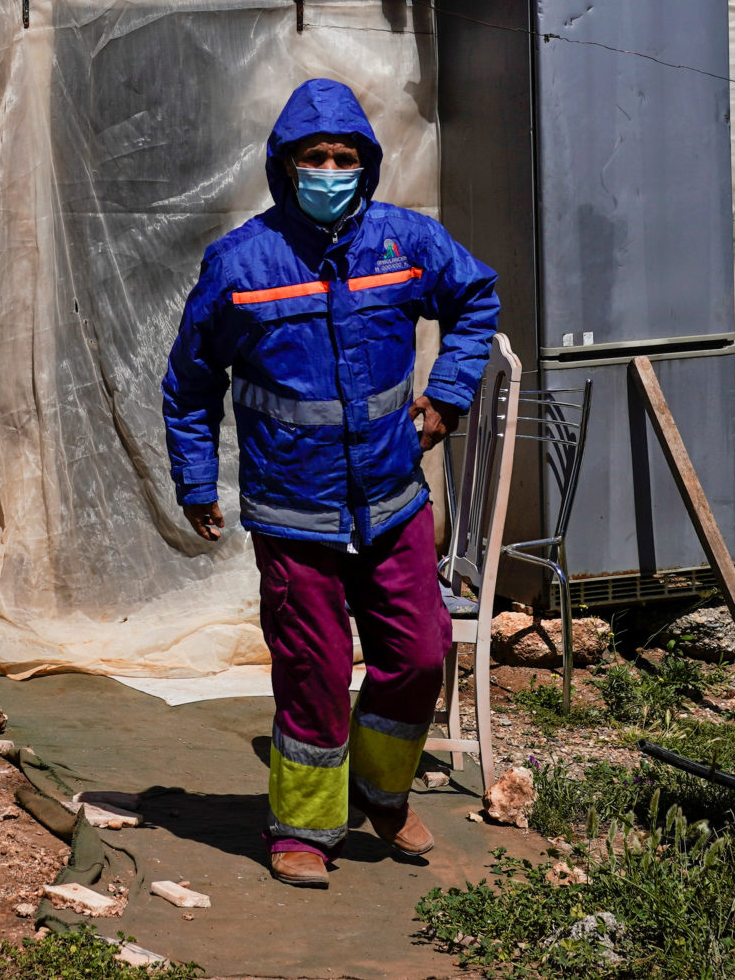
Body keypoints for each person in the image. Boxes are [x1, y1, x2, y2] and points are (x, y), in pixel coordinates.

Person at [161, 79, 500, 887]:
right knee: (311, 671)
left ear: (367, 164)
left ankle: (380, 791)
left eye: (345, 156)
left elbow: (475, 296)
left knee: (418, 654)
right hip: (294, 511)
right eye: (314, 157)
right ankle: (305, 829)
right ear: (285, 166)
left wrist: (446, 399)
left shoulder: (405, 243)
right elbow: (192, 380)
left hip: (391, 500)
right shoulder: (241, 263)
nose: (330, 169)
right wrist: (197, 478)